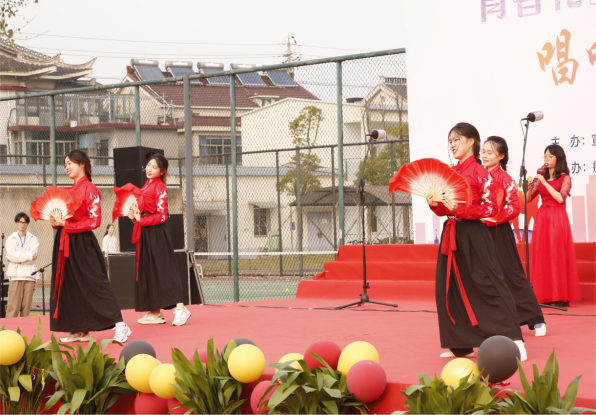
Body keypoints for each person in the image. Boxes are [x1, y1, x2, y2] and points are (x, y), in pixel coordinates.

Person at [426, 122, 527, 360]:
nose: (452, 145)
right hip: (451, 232)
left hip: (473, 233)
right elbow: (445, 209)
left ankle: (514, 339)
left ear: (471, 141)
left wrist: (461, 209)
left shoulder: (481, 173)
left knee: (489, 284)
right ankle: (460, 344)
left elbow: (490, 208)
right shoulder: (449, 173)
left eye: (457, 140)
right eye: (450, 141)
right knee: (448, 288)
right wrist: (435, 204)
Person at [49, 149, 131, 343]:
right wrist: (56, 222)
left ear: (82, 164)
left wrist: (66, 224)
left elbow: (95, 221)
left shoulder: (90, 189)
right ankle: (80, 330)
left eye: (70, 163)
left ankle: (120, 324)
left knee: (96, 283)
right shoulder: (67, 191)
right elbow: (62, 221)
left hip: (83, 243)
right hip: (65, 241)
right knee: (71, 285)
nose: (66, 167)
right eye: (65, 164)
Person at [481, 136, 546, 336]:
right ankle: (494, 321)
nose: (485, 155)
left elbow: (514, 208)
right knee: (484, 277)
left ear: (501, 156)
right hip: (479, 231)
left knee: (511, 274)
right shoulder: (478, 176)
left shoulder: (505, 179)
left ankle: (536, 318)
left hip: (498, 231)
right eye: (483, 151)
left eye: (490, 152)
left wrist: (492, 219)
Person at [129, 154, 191, 326]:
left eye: (154, 167)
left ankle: (181, 308)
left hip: (157, 233)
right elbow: (144, 213)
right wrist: (134, 217)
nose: (149, 169)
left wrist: (142, 220)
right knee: (149, 270)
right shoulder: (145, 186)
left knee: (165, 270)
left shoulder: (160, 187)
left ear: (162, 171)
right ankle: (155, 312)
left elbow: (162, 215)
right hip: (145, 232)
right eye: (148, 165)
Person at [527, 144, 581, 307]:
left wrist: (544, 181)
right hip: (543, 218)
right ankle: (545, 294)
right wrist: (531, 185)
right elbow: (527, 199)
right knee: (543, 255)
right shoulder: (541, 178)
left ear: (558, 158)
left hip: (557, 217)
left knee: (557, 254)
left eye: (550, 156)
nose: (546, 159)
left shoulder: (565, 178)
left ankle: (560, 295)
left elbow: (560, 198)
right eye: (545, 156)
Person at [5, 213, 40, 317]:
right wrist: (29, 256)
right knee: (13, 307)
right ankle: (9, 327)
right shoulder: (10, 239)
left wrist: (16, 258)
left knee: (26, 308)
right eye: (20, 222)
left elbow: (33, 259)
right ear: (16, 223)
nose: (22, 224)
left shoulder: (33, 239)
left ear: (28, 224)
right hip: (15, 275)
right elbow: (11, 255)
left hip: (30, 275)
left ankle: (25, 327)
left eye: (25, 222)